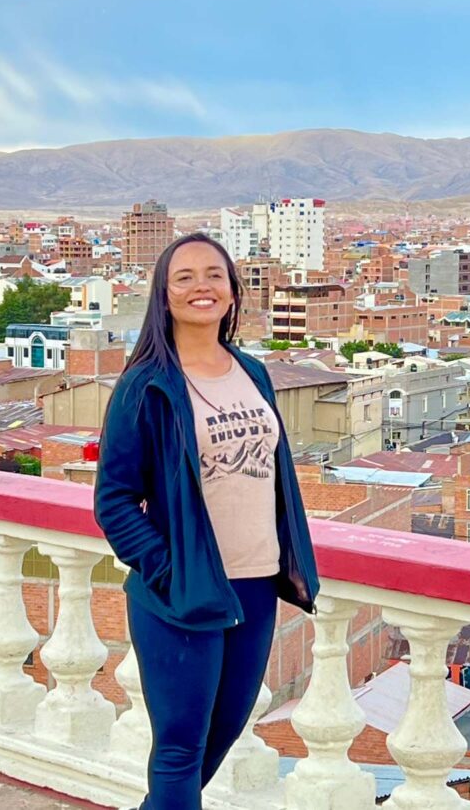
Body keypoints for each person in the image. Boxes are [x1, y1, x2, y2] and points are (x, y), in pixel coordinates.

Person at [94, 233, 320, 809]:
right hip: (182, 589)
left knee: (216, 742)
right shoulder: (146, 385)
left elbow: (274, 477)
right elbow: (114, 500)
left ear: (233, 290)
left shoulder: (252, 372)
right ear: (163, 295)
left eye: (214, 274)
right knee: (178, 751)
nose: (202, 286)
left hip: (254, 585)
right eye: (185, 276)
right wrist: (168, 570)